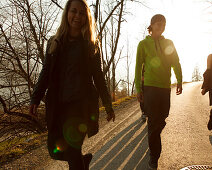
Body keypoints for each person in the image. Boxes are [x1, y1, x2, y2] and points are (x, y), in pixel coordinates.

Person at [29, 0, 115, 169]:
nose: (77, 16)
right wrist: (35, 98)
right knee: (55, 151)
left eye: (82, 13)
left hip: (80, 107)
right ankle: (84, 162)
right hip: (58, 105)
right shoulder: (54, 42)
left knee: (72, 151)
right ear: (67, 13)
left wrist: (108, 105)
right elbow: (45, 72)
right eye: (73, 11)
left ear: (86, 17)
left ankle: (80, 163)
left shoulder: (90, 45)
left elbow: (98, 77)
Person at [135, 14, 183, 169]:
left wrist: (180, 80)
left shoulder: (169, 43)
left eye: (163, 24)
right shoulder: (143, 44)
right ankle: (154, 157)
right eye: (158, 23)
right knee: (154, 122)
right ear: (152, 25)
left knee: (162, 118)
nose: (161, 26)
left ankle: (153, 133)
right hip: (150, 87)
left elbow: (175, 62)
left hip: (164, 87)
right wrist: (138, 88)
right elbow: (138, 67)